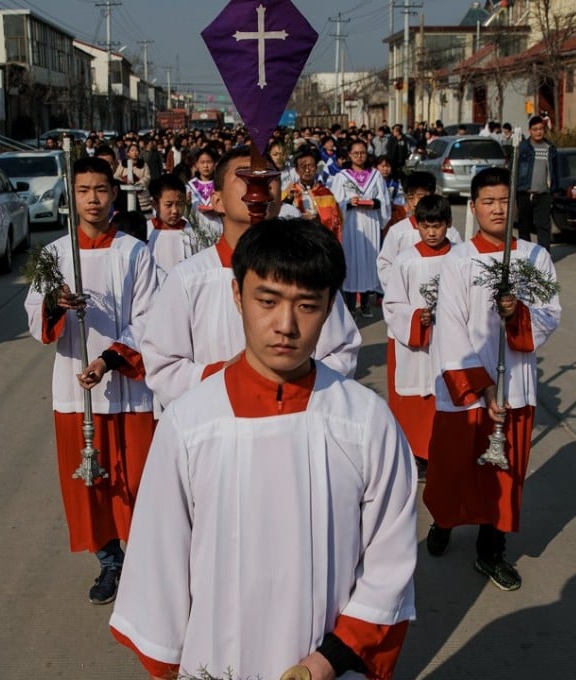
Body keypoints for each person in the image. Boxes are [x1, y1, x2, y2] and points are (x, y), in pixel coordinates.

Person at [111, 218, 417, 680]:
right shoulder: (190, 424)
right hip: (216, 660)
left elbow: (389, 566)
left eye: (307, 305)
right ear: (238, 296)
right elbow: (159, 564)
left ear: (331, 306)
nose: (285, 326)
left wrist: (328, 661)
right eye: (267, 301)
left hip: (328, 664)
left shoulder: (364, 422)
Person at [24, 156, 159, 605]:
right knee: (88, 484)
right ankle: (109, 562)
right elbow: (33, 319)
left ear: (114, 193)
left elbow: (149, 318)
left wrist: (107, 360)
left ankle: (144, 563)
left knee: (135, 479)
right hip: (74, 390)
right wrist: (55, 305)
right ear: (72, 196)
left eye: (101, 190)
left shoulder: (135, 253)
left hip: (125, 389)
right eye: (84, 191)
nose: (93, 199)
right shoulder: (56, 255)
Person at [422, 167, 561, 591]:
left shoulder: (534, 258)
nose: (498, 209)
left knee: (504, 474)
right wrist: (482, 385)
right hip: (468, 390)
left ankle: (490, 549)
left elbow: (549, 314)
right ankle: (445, 521)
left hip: (514, 386)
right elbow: (449, 327)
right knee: (452, 467)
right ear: (474, 207)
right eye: (488, 202)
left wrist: (515, 313)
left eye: (504, 201)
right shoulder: (459, 261)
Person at [140, 146, 361, 408]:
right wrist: (229, 376)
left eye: (269, 177)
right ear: (216, 200)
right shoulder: (189, 278)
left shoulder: (305, 269)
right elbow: (164, 366)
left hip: (295, 418)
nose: (259, 184)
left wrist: (290, 380)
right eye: (244, 176)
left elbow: (341, 351)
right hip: (219, 424)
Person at [381, 195, 455, 480]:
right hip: (414, 342)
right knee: (415, 397)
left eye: (437, 226)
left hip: (448, 340)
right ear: (418, 226)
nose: (432, 233)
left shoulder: (459, 258)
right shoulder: (406, 260)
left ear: (448, 224)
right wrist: (414, 318)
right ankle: (416, 454)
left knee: (445, 395)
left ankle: (443, 451)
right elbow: (392, 304)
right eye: (426, 227)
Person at [330, 138, 390, 318]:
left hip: (370, 221)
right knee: (352, 261)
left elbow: (384, 200)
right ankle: (350, 304)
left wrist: (375, 203)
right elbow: (334, 203)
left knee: (368, 261)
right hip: (352, 224)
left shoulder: (375, 175)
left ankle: (365, 303)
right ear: (349, 155)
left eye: (362, 152)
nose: (359, 156)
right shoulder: (341, 177)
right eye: (355, 153)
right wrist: (348, 203)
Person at [516, 115, 559, 251]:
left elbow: (555, 171)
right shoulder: (522, 148)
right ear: (530, 131)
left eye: (541, 129)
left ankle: (544, 256)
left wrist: (554, 191)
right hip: (524, 193)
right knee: (524, 226)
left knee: (543, 227)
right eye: (535, 129)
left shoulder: (550, 148)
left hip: (543, 194)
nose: (538, 132)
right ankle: (525, 256)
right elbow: (514, 169)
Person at [282, 145, 343, 241]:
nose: (307, 170)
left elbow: (336, 223)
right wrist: (288, 201)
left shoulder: (326, 194)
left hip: (319, 239)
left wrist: (317, 219)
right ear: (297, 170)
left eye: (310, 166)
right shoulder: (289, 192)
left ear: (316, 168)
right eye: (303, 166)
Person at [145, 174, 198, 280]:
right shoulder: (147, 230)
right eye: (168, 205)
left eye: (180, 204)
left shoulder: (189, 229)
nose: (175, 211)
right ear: (154, 204)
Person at [186, 146, 224, 238]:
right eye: (202, 162)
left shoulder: (220, 185)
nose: (206, 166)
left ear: (215, 164)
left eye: (209, 162)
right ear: (196, 165)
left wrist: (219, 210)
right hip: (196, 229)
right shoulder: (189, 186)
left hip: (217, 226)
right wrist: (188, 205)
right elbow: (185, 213)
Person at [115, 143, 153, 216]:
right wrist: (124, 180)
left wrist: (139, 183)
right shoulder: (123, 164)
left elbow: (147, 177)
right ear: (128, 153)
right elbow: (116, 176)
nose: (135, 152)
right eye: (132, 150)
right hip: (126, 194)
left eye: (136, 151)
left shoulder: (143, 164)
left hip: (142, 196)